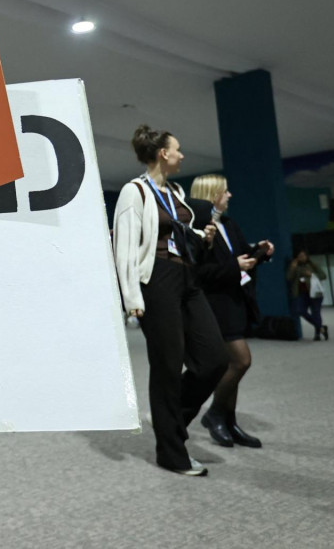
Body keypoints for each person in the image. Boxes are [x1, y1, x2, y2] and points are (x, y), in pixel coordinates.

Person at [113, 125, 228, 477]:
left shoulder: (175, 192)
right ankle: (171, 453)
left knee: (214, 359)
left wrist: (202, 234)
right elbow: (125, 248)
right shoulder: (135, 192)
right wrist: (131, 298)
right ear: (163, 153)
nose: (181, 155)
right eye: (177, 150)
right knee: (167, 366)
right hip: (156, 280)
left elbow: (181, 232)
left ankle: (170, 420)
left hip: (187, 278)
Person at [190, 175, 274, 449]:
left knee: (232, 365)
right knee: (241, 361)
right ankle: (214, 414)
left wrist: (261, 252)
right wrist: (234, 266)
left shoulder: (228, 224)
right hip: (214, 306)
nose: (229, 195)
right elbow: (197, 273)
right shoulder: (196, 227)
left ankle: (229, 421)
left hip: (235, 302)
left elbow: (241, 256)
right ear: (212, 194)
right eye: (225, 191)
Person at [288, 250, 328, 341]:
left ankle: (317, 333)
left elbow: (323, 275)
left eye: (303, 256)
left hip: (314, 293)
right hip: (302, 293)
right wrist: (292, 268)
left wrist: (312, 274)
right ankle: (321, 327)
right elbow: (289, 278)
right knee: (301, 311)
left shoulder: (313, 265)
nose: (301, 258)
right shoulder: (294, 266)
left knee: (316, 312)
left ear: (307, 256)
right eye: (299, 256)